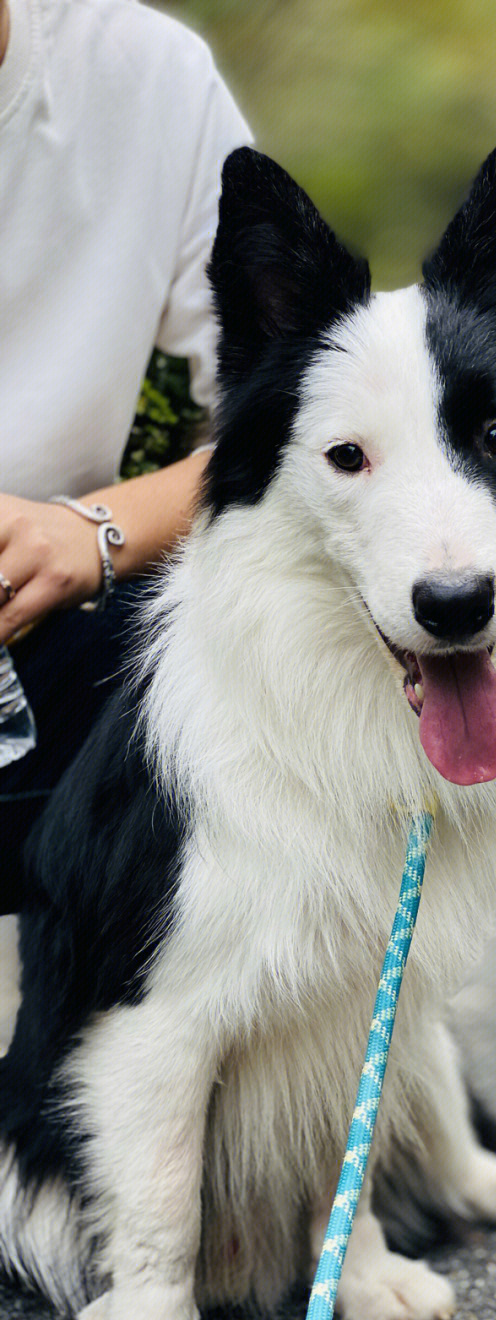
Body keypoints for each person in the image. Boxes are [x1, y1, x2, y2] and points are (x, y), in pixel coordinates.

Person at [0, 0, 252, 911]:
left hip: (52, 642)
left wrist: (87, 533)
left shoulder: (147, 79)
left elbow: (293, 416)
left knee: (280, 620)